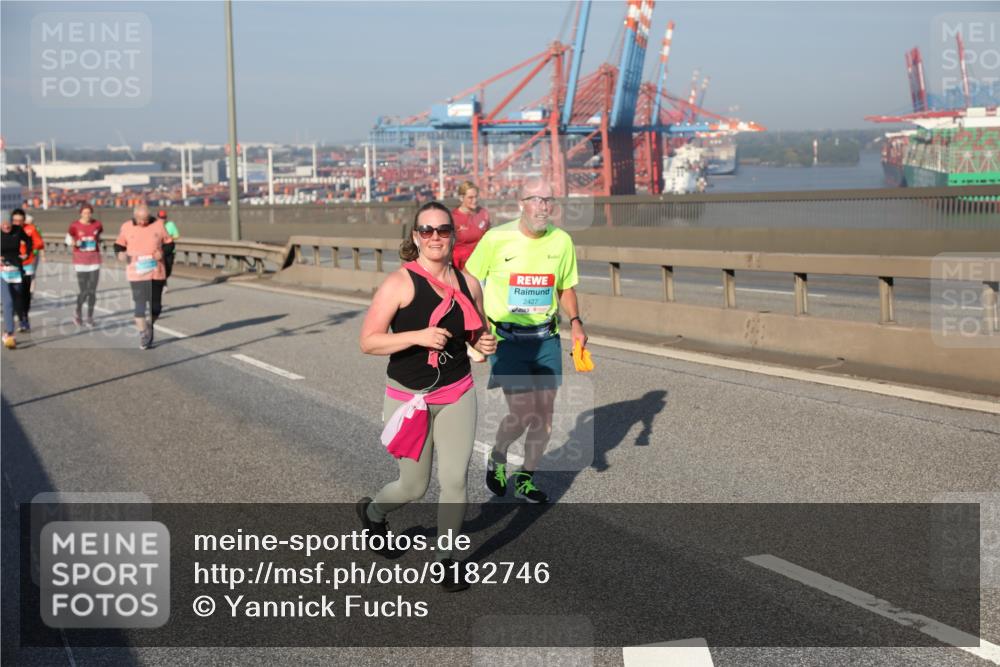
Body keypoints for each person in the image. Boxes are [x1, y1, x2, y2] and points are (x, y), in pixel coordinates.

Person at [357, 201, 496, 593]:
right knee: (413, 486)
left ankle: (445, 561)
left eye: (443, 230)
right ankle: (373, 513)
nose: (436, 237)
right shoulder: (399, 283)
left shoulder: (469, 284)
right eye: (427, 230)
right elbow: (368, 341)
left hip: (456, 392)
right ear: (416, 237)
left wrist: (485, 343)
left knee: (454, 480)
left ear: (453, 235)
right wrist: (417, 336)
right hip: (409, 398)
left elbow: (478, 335)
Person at [465, 178, 587, 504]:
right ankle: (498, 456)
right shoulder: (496, 238)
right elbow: (471, 279)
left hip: (546, 338)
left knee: (543, 417)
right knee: (522, 412)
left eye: (548, 200)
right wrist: (478, 325)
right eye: (536, 199)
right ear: (521, 203)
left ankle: (525, 478)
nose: (543, 207)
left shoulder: (562, 241)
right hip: (507, 339)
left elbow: (565, 287)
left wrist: (576, 323)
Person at [114, 202, 175, 349]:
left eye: (146, 219)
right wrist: (120, 254)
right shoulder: (127, 226)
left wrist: (162, 252)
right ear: (135, 216)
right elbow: (118, 245)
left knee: (156, 307)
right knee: (140, 305)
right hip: (137, 273)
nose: (143, 222)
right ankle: (143, 334)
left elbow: (170, 244)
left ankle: (149, 324)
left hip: (156, 272)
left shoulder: (159, 225)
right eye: (141, 219)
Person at [65, 203, 104, 327]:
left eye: (89, 213)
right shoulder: (74, 226)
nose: (87, 215)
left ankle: (90, 317)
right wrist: (74, 243)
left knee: (92, 291)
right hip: (80, 261)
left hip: (94, 261)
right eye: (85, 213)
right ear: (81, 213)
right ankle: (78, 312)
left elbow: (99, 236)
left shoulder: (97, 224)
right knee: (84, 291)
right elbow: (68, 239)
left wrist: (97, 242)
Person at [1, 212, 33, 349]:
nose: (6, 227)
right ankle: (9, 333)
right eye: (3, 224)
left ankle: (20, 321)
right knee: (7, 301)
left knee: (17, 301)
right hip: (2, 271)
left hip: (16, 269)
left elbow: (29, 241)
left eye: (8, 224)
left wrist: (27, 253)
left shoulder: (18, 230)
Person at [11, 211, 44, 333]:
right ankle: (19, 316)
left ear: (24, 221)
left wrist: (30, 250)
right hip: (12, 266)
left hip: (27, 265)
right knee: (15, 293)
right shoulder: (8, 230)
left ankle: (24, 317)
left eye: (20, 221)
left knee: (25, 293)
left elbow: (39, 243)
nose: (17, 223)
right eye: (15, 220)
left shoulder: (31, 229)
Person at [450, 181, 490, 272]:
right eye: (470, 197)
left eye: (476, 197)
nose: (474, 200)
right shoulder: (452, 218)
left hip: (481, 264)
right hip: (460, 267)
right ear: (461, 198)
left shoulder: (483, 213)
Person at [156, 209, 180, 284]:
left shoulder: (171, 224)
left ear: (166, 218)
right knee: (160, 268)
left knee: (168, 268)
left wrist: (169, 238)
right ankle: (161, 283)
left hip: (169, 249)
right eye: (161, 217)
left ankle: (164, 280)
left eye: (164, 218)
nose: (162, 219)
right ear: (158, 217)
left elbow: (177, 235)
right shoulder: (154, 225)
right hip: (159, 250)